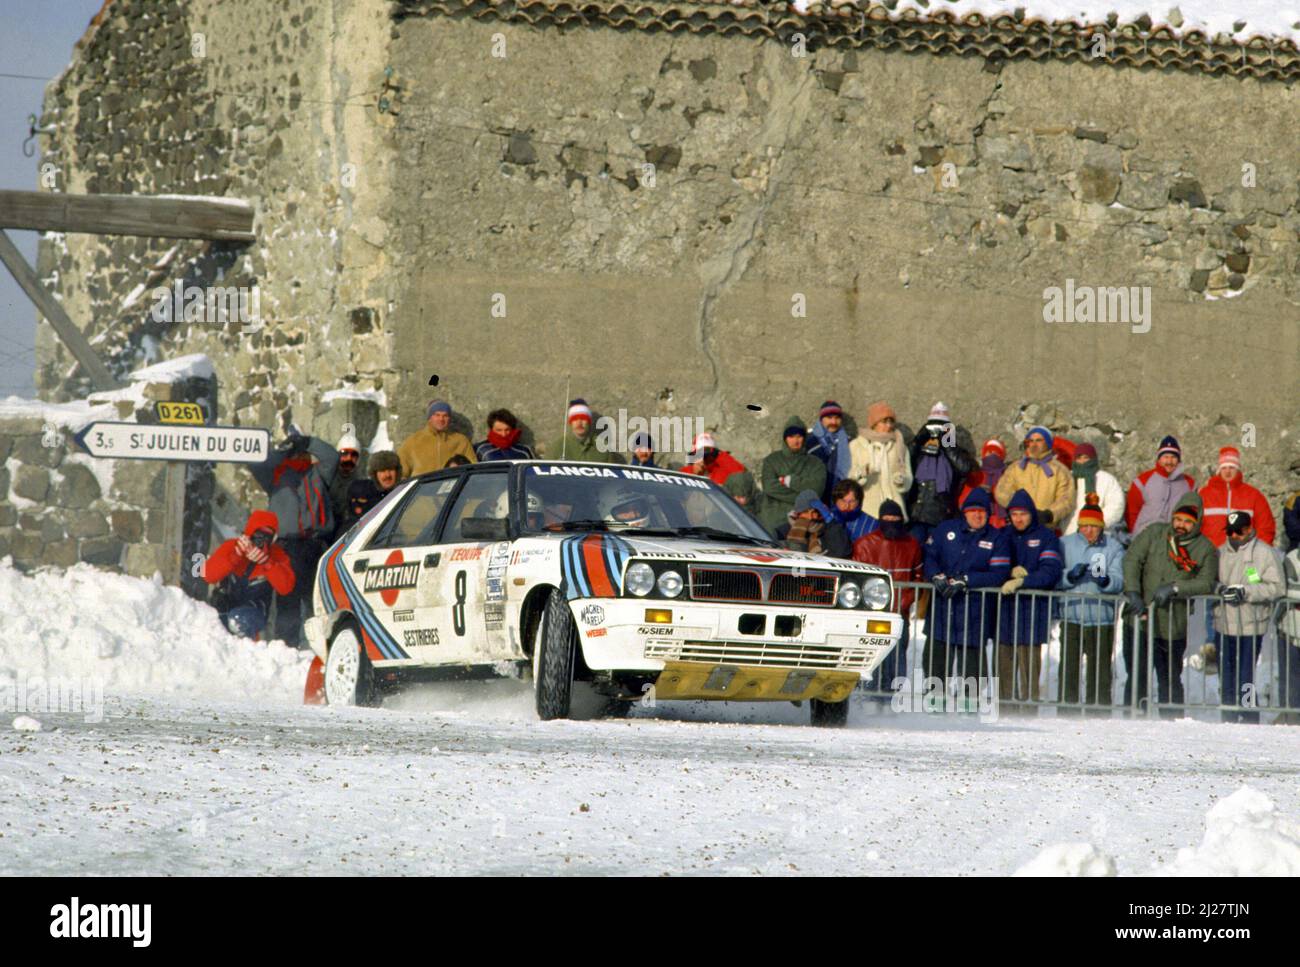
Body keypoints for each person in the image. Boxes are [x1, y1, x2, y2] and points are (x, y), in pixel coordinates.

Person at [1121, 492, 1218, 718]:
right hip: (1140, 618)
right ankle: (1133, 717)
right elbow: (1132, 558)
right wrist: (1133, 590)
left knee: (1170, 677)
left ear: (1196, 524)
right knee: (1137, 674)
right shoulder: (1155, 533)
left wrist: (1176, 588)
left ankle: (1171, 719)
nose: (1180, 525)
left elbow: (1205, 582)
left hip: (1173, 624)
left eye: (1187, 522)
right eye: (1178, 519)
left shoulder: (1205, 548)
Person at [249, 427, 339, 645]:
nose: (301, 456)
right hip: (286, 547)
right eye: (298, 452)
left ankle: (320, 646)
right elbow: (256, 462)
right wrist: (284, 450)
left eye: (303, 452)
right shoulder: (275, 476)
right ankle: (285, 647)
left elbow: (332, 456)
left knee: (316, 600)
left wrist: (307, 442)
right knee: (287, 600)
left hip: (316, 545)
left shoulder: (318, 473)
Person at [922, 488, 1012, 697]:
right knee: (935, 664)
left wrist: (968, 580)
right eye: (972, 511)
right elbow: (929, 556)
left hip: (975, 616)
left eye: (982, 511)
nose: (977, 515)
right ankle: (935, 706)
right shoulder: (946, 529)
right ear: (964, 512)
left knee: (973, 670)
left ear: (988, 514)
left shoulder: (996, 538)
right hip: (941, 613)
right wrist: (936, 575)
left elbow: (999, 573)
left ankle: (970, 708)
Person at [1213, 511, 1284, 724]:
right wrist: (1220, 589)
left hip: (1251, 625)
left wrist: (1247, 592)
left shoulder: (1264, 553)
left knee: (1245, 676)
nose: (1234, 536)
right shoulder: (1219, 553)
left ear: (1249, 529)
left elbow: (1276, 587)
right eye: (1231, 532)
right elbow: (1209, 580)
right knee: (1226, 675)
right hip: (1224, 623)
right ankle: (1228, 715)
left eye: (1239, 531)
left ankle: (1249, 715)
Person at [1057, 493, 1125, 713]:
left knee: (1100, 672)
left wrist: (1106, 580)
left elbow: (1119, 579)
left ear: (1101, 527)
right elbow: (1053, 576)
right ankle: (1067, 712)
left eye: (1094, 527)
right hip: (1072, 615)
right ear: (1079, 525)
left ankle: (1099, 713)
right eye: (1085, 526)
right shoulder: (1065, 545)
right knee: (1069, 670)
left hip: (1101, 618)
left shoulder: (1113, 547)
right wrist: (1070, 576)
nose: (1089, 531)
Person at [997, 489, 1064, 709]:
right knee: (1005, 666)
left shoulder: (1045, 537)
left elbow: (1051, 571)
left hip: (1032, 614)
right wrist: (1008, 572)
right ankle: (1005, 708)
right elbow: (992, 565)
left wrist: (1024, 581)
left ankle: (1029, 709)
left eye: (1023, 514)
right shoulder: (1003, 535)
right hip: (1006, 613)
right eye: (1014, 514)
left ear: (1031, 514)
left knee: (1029, 669)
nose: (1018, 519)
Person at [853, 499, 923, 689]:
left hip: (900, 612)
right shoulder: (865, 544)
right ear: (880, 519)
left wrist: (907, 599)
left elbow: (918, 577)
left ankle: (892, 697)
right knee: (871, 655)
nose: (891, 521)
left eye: (895, 517)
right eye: (887, 518)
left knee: (898, 655)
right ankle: (868, 696)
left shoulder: (912, 544)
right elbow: (857, 580)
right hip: (872, 614)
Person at [203, 510, 295, 640]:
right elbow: (208, 575)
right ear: (249, 533)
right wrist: (235, 556)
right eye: (258, 536)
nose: (261, 542)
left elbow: (286, 587)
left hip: (253, 611)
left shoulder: (277, 556)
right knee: (211, 625)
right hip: (224, 605)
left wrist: (267, 563)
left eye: (267, 538)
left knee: (239, 620)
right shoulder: (231, 546)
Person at [906, 402, 975, 545]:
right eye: (933, 425)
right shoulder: (920, 450)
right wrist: (919, 439)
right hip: (916, 513)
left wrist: (948, 443)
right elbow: (904, 461)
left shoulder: (953, 450)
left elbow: (964, 468)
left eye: (941, 426)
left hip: (941, 515)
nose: (936, 431)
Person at [994, 426, 1074, 533]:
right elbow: (1002, 491)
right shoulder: (1016, 468)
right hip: (1017, 527)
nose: (1034, 444)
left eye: (1038, 440)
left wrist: (1049, 514)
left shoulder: (1060, 471)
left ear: (1048, 443)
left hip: (1046, 528)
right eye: (1031, 441)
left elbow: (1066, 499)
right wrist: (1017, 508)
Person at [759, 417, 827, 534]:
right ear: (785, 438)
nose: (796, 441)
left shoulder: (816, 464)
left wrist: (790, 481)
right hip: (772, 521)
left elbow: (816, 491)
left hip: (803, 523)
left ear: (804, 438)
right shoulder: (772, 460)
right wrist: (803, 497)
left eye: (799, 436)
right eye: (791, 436)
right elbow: (769, 487)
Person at [1198, 447, 1276, 548]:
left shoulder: (1253, 495)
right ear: (1219, 469)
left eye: (1231, 467)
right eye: (1224, 468)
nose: (1227, 472)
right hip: (1211, 555)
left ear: (1237, 469)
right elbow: (1194, 527)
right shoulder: (1204, 494)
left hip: (1245, 555)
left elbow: (1266, 528)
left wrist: (1258, 552)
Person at [848, 400, 912, 518]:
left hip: (894, 509)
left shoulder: (899, 446)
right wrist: (863, 472)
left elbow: (908, 474)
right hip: (867, 508)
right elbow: (849, 476)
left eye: (891, 422)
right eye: (884, 422)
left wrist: (901, 479)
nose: (888, 426)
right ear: (874, 423)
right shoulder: (856, 445)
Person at [1125, 435, 1195, 536]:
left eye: (1173, 457)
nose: (1169, 461)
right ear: (1159, 459)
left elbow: (1194, 513)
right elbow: (1132, 512)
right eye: (1165, 457)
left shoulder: (1189, 484)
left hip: (1174, 540)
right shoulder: (1142, 481)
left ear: (1179, 459)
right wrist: (1137, 534)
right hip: (1145, 539)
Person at [398, 400, 476, 477]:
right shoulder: (413, 441)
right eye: (437, 415)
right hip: (423, 488)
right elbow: (401, 473)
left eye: (445, 416)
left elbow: (473, 468)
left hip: (452, 486)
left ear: (449, 419)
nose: (441, 419)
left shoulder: (461, 441)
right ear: (430, 418)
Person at [1062, 443, 1125, 535]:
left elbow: (1116, 505)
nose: (1082, 461)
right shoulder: (1067, 478)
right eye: (1079, 458)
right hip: (1069, 533)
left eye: (1086, 457)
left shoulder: (1106, 479)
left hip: (1099, 534)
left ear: (1093, 459)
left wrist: (1095, 524)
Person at [340, 450, 402, 535]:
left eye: (391, 469)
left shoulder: (406, 492)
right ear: (374, 474)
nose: (387, 475)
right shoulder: (362, 490)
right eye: (382, 470)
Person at [544, 399, 624, 464]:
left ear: (589, 421)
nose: (579, 423)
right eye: (575, 419)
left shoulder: (604, 448)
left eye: (583, 418)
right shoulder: (557, 448)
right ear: (570, 422)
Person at [775, 490, 851, 558]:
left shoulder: (827, 529)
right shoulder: (783, 531)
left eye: (814, 511)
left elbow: (841, 552)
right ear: (797, 513)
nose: (811, 516)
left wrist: (830, 521)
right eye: (805, 512)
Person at [957, 439, 1009, 529]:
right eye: (989, 452)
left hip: (1004, 522)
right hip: (979, 521)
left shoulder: (1008, 476)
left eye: (995, 453)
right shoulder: (977, 476)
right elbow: (963, 502)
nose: (992, 456)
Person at [806, 400, 851, 503]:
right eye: (829, 418)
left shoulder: (848, 442)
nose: (834, 422)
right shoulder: (810, 442)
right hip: (816, 498)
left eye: (837, 418)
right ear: (821, 419)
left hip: (841, 498)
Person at [328, 429, 363, 532]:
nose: (349, 458)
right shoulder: (327, 477)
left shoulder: (360, 482)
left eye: (354, 455)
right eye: (344, 453)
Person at [1280, 544, 1300, 724]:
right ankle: (1291, 716)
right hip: (1292, 628)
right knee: (1291, 677)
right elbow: (1283, 588)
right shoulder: (1291, 558)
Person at [827, 479, 878, 543]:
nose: (847, 506)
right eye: (843, 501)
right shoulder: (826, 517)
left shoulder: (872, 525)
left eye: (852, 502)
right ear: (835, 501)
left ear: (859, 502)